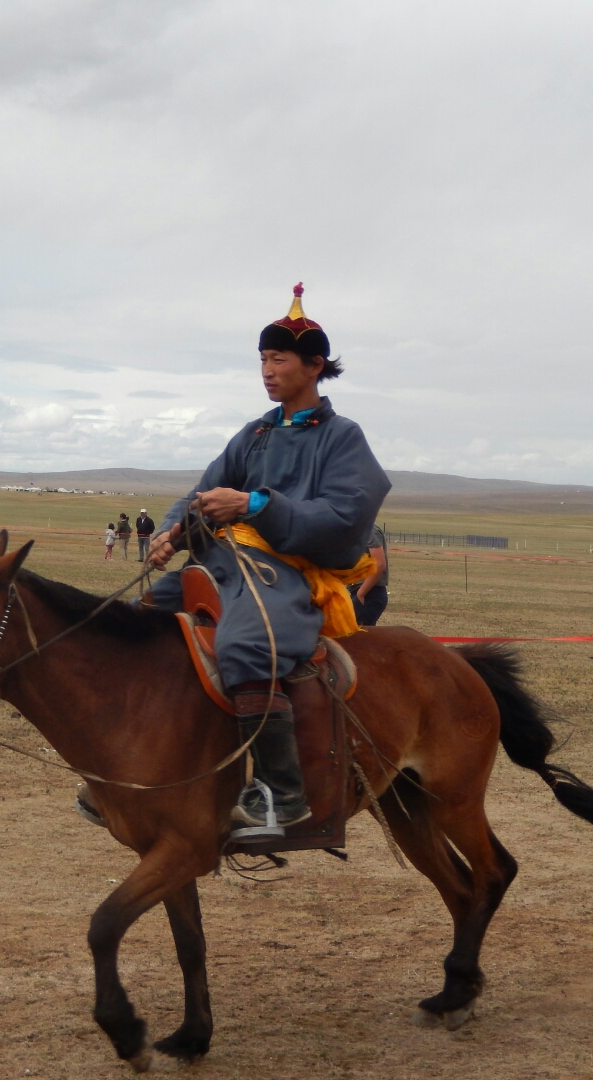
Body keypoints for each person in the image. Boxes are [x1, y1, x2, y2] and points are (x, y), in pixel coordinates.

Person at [142, 283, 390, 834]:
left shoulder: (343, 438)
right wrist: (171, 532)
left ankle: (282, 792)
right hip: (225, 565)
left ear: (314, 365)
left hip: (290, 572)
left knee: (247, 643)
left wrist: (255, 504)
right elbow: (203, 491)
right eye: (262, 360)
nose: (267, 370)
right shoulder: (254, 433)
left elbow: (347, 516)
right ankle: (156, 766)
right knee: (142, 623)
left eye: (278, 359)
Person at [349, 523, 390, 626]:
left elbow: (379, 564)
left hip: (370, 593)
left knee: (360, 638)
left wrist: (360, 594)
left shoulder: (370, 530)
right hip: (358, 590)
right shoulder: (358, 529)